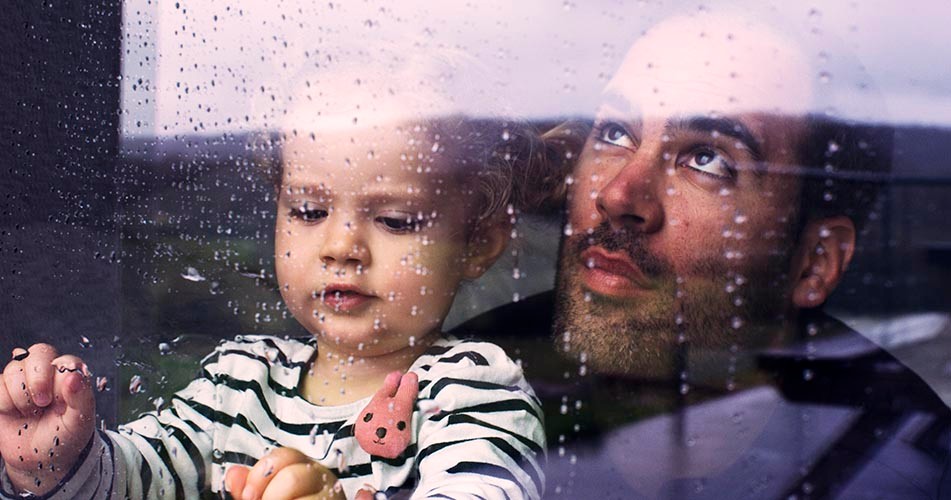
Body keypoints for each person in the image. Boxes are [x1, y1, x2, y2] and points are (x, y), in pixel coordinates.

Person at [0, 53, 547, 499]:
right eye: (309, 211)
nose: (341, 247)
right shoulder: (240, 381)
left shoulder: (472, 394)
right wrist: (60, 459)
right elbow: (141, 480)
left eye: (395, 220)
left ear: (478, 243)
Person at [457, 10, 951, 499]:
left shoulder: (906, 473)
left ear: (814, 262)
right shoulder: (452, 392)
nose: (618, 195)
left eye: (707, 160)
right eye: (614, 133)